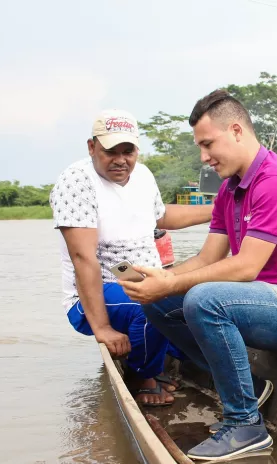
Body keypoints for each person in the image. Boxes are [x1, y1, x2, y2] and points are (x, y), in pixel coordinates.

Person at [120, 90, 277, 462]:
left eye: (208, 144)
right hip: (265, 300)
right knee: (160, 304)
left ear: (237, 131)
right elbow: (208, 258)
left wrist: (174, 283)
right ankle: (249, 390)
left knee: (204, 299)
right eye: (200, 147)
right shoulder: (229, 190)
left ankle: (246, 426)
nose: (204, 157)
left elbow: (245, 266)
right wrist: (160, 279)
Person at [50, 109, 214, 406]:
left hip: (143, 279)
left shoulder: (142, 175)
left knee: (205, 299)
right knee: (151, 307)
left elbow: (162, 216)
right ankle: (143, 377)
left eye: (128, 151)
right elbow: (82, 258)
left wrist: (218, 211)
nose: (121, 159)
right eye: (111, 151)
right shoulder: (77, 181)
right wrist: (102, 328)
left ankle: (165, 356)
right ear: (92, 148)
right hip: (97, 290)